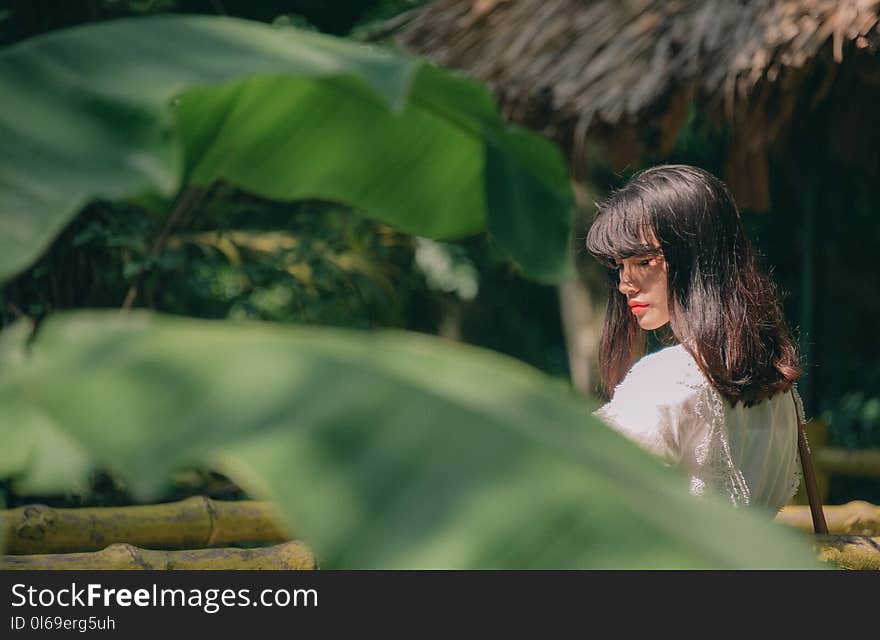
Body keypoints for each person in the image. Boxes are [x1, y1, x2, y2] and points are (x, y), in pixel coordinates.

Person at [586, 164, 803, 512]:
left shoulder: (668, 377)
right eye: (619, 265)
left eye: (643, 261)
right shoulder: (779, 385)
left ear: (697, 258)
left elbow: (582, 487)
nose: (625, 284)